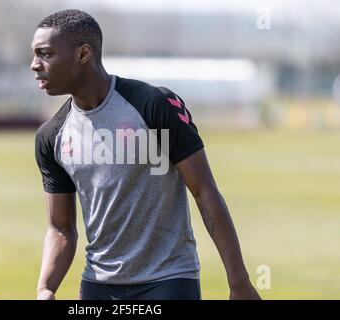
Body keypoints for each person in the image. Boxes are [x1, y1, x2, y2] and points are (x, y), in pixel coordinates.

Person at [31, 9, 261, 300]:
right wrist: (45, 287)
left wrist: (239, 282)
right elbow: (61, 228)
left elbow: (204, 191)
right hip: (97, 286)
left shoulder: (154, 105)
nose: (35, 65)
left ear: (83, 54)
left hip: (168, 281)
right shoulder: (51, 136)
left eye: (45, 54)